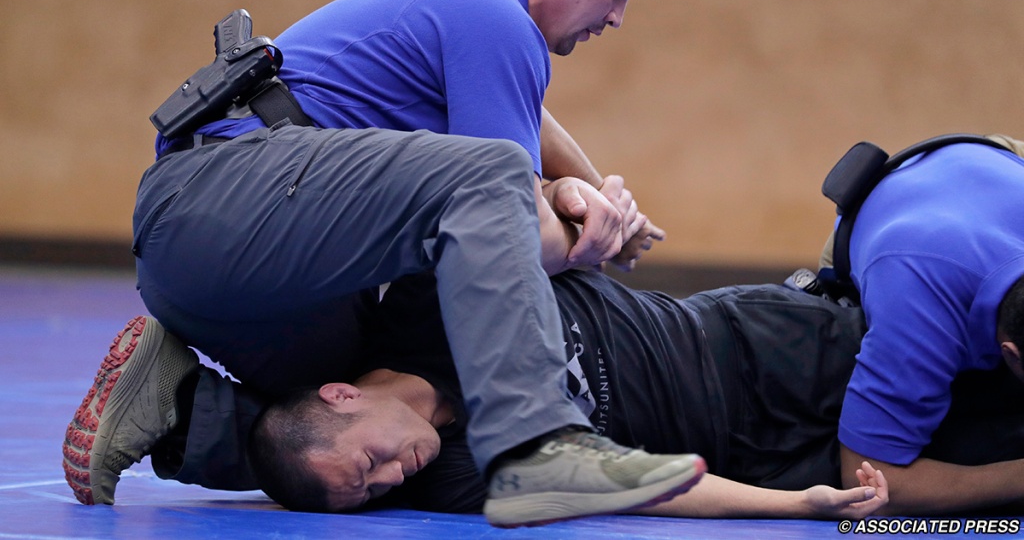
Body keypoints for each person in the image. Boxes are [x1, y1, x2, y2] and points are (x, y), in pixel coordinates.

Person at [61, 0, 702, 528]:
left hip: (224, 270)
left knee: (379, 418)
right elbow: (514, 214)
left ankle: (180, 407)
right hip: (218, 202)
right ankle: (536, 439)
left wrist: (592, 192)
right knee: (490, 199)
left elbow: (522, 143)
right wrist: (589, 235)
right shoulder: (491, 10)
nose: (618, 17)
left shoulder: (475, 20)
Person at [246, 268, 890, 519]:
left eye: (369, 464)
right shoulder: (459, 476)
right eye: (374, 492)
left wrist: (583, 189)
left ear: (340, 395)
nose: (394, 476)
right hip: (754, 457)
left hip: (750, 342)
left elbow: (519, 197)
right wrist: (798, 503)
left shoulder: (431, 301)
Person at [815, 134, 1024, 515]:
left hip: (998, 161)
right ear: (1010, 357)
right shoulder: (919, 312)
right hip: (890, 220)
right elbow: (869, 482)